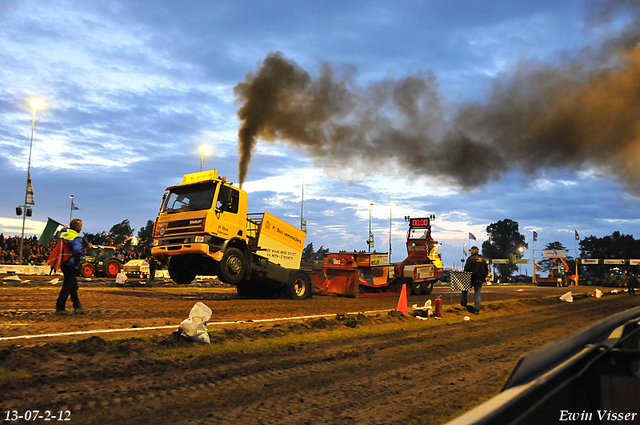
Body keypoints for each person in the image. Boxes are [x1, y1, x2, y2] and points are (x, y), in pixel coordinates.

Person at [55, 218, 84, 315]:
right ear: (77, 226)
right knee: (68, 285)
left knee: (73, 284)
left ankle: (77, 305)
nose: (81, 228)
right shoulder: (75, 236)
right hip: (70, 263)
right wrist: (77, 261)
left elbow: (58, 237)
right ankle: (60, 306)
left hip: (63, 262)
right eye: (80, 226)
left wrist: (63, 229)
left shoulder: (63, 234)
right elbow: (77, 250)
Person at [462, 246, 489, 314]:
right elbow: (486, 270)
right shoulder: (483, 259)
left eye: (471, 250)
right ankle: (477, 310)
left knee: (464, 290)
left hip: (471, 279)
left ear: (474, 251)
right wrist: (483, 277)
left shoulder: (470, 259)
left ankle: (463, 305)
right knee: (477, 294)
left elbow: (466, 269)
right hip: (480, 279)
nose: (470, 252)